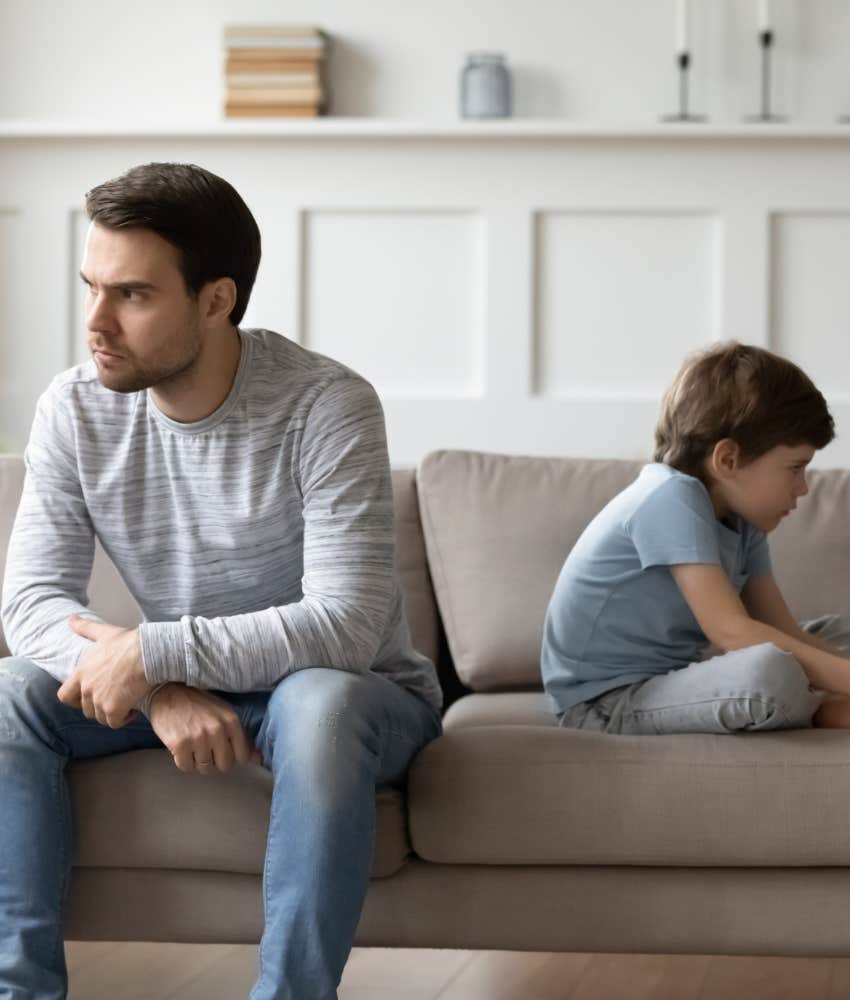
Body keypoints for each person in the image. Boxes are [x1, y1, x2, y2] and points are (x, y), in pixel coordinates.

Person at [0, 161, 443, 1000]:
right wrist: (158, 689)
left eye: (131, 295)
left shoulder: (328, 404)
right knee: (10, 694)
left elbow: (344, 626)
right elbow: (28, 602)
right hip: (189, 683)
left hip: (352, 694)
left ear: (216, 300)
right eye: (90, 286)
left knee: (320, 698)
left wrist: (156, 651)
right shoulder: (74, 408)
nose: (96, 321)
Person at [541, 341, 850, 736]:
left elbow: (783, 630)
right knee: (770, 671)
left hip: (671, 680)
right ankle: (823, 707)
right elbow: (731, 632)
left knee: (831, 631)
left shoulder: (744, 521)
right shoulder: (670, 496)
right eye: (795, 468)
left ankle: (814, 698)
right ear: (727, 460)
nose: (803, 488)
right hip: (604, 701)